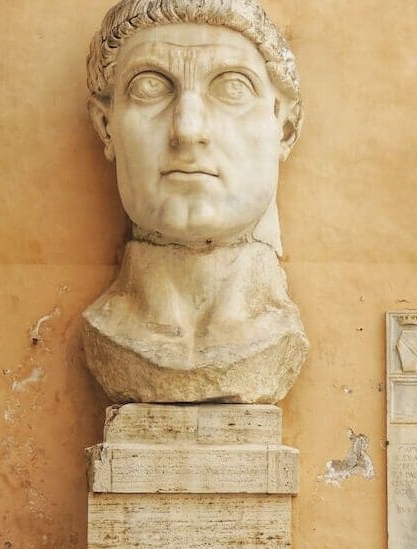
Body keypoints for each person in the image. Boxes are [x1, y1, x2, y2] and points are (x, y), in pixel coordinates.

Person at [80, 0, 309, 405]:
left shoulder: (276, 335)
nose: (187, 129)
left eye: (232, 87)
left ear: (285, 128)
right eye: (150, 86)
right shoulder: (107, 329)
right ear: (106, 126)